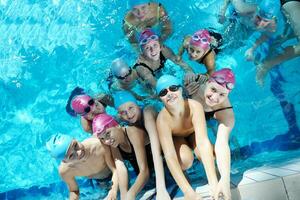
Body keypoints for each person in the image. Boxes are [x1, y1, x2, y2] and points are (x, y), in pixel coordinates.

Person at [155, 75, 218, 200]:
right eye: (163, 92)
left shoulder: (195, 106)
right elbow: (169, 156)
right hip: (178, 139)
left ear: (181, 89)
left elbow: (203, 142)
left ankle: (213, 174)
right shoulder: (162, 120)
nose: (169, 93)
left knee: (210, 152)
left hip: (193, 134)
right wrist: (188, 192)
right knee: (185, 160)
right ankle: (182, 174)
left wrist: (214, 184)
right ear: (160, 98)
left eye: (173, 88)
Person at [184, 68, 235, 200]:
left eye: (222, 94)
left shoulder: (226, 112)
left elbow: (222, 144)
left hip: (212, 115)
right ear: (207, 82)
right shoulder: (193, 88)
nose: (215, 98)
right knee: (201, 154)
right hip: (189, 122)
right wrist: (184, 93)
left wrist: (225, 180)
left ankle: (220, 181)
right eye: (213, 89)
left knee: (226, 144)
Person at [113, 90, 170, 199]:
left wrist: (161, 188)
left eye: (131, 108)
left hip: (162, 151)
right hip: (143, 157)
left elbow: (156, 149)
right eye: (123, 112)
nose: (129, 115)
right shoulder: (119, 121)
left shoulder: (147, 113)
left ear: (137, 104)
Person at [93, 113, 164, 200]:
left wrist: (131, 193)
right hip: (144, 176)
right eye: (102, 138)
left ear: (117, 125)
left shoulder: (133, 132)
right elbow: (121, 168)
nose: (107, 141)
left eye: (108, 134)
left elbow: (144, 171)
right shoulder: (113, 143)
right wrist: (124, 195)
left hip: (161, 165)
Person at [46, 133, 118, 200]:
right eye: (71, 156)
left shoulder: (99, 145)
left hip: (115, 172)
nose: (79, 152)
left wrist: (113, 191)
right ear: (65, 161)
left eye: (75, 145)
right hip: (100, 180)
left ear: (75, 139)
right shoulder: (65, 171)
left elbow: (116, 169)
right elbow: (74, 190)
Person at [244, 0, 299, 85]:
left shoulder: (279, 19)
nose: (262, 24)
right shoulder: (270, 22)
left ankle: (268, 64)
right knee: (274, 45)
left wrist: (270, 63)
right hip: (285, 13)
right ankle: (267, 64)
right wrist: (252, 48)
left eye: (265, 21)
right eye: (259, 20)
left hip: (288, 13)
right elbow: (266, 35)